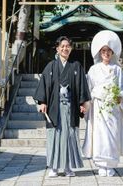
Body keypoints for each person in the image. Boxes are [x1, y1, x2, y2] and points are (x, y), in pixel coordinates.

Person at [33, 36, 91, 177]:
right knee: (55, 137)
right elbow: (44, 85)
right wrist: (42, 102)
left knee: (70, 137)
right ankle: (53, 167)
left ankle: (67, 167)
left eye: (67, 46)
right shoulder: (51, 66)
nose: (65, 48)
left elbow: (82, 87)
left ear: (71, 48)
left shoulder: (76, 66)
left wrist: (83, 103)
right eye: (62, 46)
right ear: (57, 48)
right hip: (54, 108)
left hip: (71, 109)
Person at [82, 30, 123, 177]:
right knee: (100, 135)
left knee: (113, 134)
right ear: (99, 53)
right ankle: (101, 164)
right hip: (98, 107)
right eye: (103, 51)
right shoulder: (93, 69)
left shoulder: (117, 70)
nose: (106, 53)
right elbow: (89, 88)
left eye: (109, 51)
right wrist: (87, 103)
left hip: (113, 107)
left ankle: (112, 164)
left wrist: (119, 97)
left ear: (113, 53)